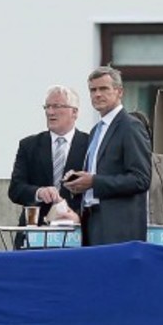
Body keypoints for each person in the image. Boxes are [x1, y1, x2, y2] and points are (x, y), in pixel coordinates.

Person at [63, 66, 151, 246]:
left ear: (119, 92)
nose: (97, 94)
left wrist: (94, 182)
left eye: (104, 89)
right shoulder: (96, 130)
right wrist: (78, 183)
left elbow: (141, 179)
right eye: (93, 90)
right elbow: (97, 173)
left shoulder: (130, 126)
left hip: (119, 228)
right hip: (91, 220)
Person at [8, 85, 89, 227]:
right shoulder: (29, 145)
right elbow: (15, 189)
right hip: (36, 229)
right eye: (47, 107)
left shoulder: (89, 145)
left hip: (76, 229)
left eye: (57, 106)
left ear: (74, 112)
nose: (50, 112)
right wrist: (39, 192)